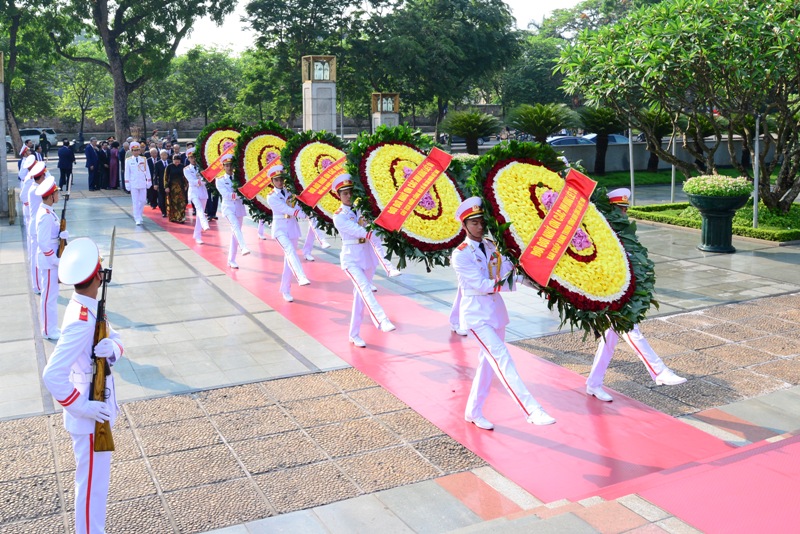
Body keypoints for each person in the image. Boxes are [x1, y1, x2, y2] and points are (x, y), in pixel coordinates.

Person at [42, 237, 124, 534]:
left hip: (97, 408)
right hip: (90, 418)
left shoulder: (88, 307)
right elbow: (52, 374)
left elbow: (118, 340)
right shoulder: (81, 319)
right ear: (98, 276)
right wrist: (82, 406)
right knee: (90, 490)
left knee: (95, 488)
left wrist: (111, 349)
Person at [452, 196, 555, 429]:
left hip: (495, 312)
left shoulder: (491, 246)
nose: (480, 226)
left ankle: (473, 412)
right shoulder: (461, 254)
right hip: (476, 314)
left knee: (487, 364)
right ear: (464, 225)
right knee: (502, 358)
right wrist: (509, 282)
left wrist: (542, 288)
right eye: (474, 222)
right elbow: (482, 285)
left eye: (481, 221)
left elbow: (513, 272)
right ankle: (532, 410)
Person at [586, 188, 687, 402]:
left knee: (609, 341)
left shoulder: (621, 231)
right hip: (605, 293)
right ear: (611, 209)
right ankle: (658, 371)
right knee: (631, 331)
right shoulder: (601, 230)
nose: (624, 213)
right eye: (620, 209)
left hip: (617, 292)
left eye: (624, 209)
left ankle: (594, 383)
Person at [331, 174, 395, 347]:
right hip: (351, 259)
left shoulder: (362, 209)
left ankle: (354, 334)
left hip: (368, 257)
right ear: (339, 195)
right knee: (365, 289)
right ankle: (382, 320)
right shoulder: (338, 216)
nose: (348, 196)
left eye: (351, 192)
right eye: (344, 193)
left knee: (360, 297)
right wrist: (373, 230)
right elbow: (360, 231)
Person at [266, 166, 310, 301]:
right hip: (280, 229)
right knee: (290, 251)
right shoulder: (271, 196)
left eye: (281, 179)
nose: (279, 182)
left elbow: (296, 206)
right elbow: (285, 208)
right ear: (272, 181)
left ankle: (285, 289)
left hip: (292, 228)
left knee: (288, 260)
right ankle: (301, 276)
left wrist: (307, 213)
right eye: (277, 180)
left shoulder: (290, 193)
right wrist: (301, 214)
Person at [35, 176, 68, 340]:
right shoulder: (45, 215)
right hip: (49, 262)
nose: (58, 195)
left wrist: (61, 235)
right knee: (49, 298)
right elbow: (42, 242)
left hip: (52, 259)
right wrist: (55, 261)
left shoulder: (49, 211)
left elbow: (51, 236)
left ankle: (52, 326)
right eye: (56, 193)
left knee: (52, 296)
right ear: (50, 196)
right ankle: (48, 330)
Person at [216, 154, 250, 268]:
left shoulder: (239, 178)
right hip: (228, 208)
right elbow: (226, 195)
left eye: (230, 165)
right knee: (235, 227)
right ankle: (243, 247)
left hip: (239, 208)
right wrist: (241, 195)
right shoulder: (220, 180)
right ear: (223, 167)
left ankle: (231, 259)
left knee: (235, 233)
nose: (229, 168)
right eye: (226, 165)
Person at [27, 161, 48, 294]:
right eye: (43, 176)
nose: (45, 178)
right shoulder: (36, 190)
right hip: (35, 227)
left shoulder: (35, 187)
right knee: (36, 258)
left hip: (37, 225)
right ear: (40, 177)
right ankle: (36, 286)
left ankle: (39, 283)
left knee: (39, 256)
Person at [184, 148, 210, 244]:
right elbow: (192, 181)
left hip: (202, 192)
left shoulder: (202, 167)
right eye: (191, 157)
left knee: (200, 213)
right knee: (199, 209)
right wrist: (203, 181)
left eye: (194, 157)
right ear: (188, 158)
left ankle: (197, 235)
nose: (193, 159)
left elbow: (207, 179)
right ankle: (205, 224)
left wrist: (203, 181)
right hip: (194, 192)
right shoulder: (186, 169)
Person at [124, 142, 152, 226]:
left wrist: (149, 180)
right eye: (134, 150)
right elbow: (127, 173)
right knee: (135, 201)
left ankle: (139, 214)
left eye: (137, 150)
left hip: (142, 182)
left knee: (143, 201)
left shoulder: (143, 159)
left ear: (139, 151)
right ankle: (137, 218)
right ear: (131, 151)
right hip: (133, 183)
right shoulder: (128, 160)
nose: (136, 152)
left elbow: (147, 171)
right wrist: (127, 183)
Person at [164, 154, 187, 223]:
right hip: (172, 188)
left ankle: (181, 217)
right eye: (175, 161)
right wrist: (166, 186)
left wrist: (186, 185)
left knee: (181, 202)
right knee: (173, 202)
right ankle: (173, 217)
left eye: (178, 161)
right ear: (173, 160)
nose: (177, 162)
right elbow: (165, 177)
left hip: (181, 187)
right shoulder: (169, 167)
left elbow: (185, 177)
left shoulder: (183, 167)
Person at [154, 150, 170, 218]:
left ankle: (170, 210)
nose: (164, 156)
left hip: (170, 183)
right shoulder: (157, 164)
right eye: (162, 155)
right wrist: (155, 184)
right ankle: (164, 212)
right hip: (161, 183)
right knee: (162, 199)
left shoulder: (170, 162)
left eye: (165, 155)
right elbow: (155, 174)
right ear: (160, 156)